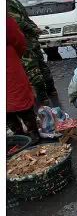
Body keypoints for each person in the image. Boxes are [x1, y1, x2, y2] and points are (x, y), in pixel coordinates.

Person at [7, 0, 57, 104]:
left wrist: (32, 30)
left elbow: (19, 22)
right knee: (41, 64)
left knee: (32, 69)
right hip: (31, 39)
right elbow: (26, 19)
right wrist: (34, 29)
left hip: (25, 40)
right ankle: (51, 89)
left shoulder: (7, 4)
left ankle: (42, 97)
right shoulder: (14, 1)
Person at [7, 16, 40, 144]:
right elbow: (18, 41)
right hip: (8, 61)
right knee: (19, 97)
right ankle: (32, 133)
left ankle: (18, 135)